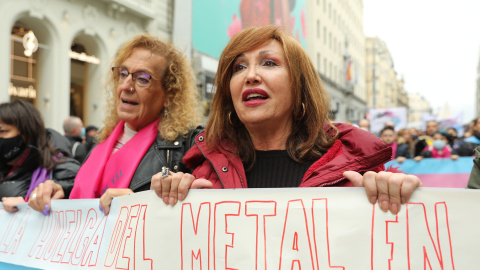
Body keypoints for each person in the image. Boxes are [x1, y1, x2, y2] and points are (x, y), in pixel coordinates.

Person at [151, 26, 422, 215]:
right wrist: (167, 187)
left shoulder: (357, 168)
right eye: (239, 67)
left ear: (300, 87)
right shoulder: (205, 170)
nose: (251, 75)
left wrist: (399, 192)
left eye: (269, 63)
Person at [28, 33, 203, 215]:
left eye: (143, 78)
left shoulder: (188, 146)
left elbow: (191, 220)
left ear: (170, 95)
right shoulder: (103, 138)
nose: (126, 86)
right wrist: (61, 191)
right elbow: (92, 192)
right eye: (123, 73)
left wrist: (137, 205)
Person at [0, 100, 80, 212]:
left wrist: (25, 207)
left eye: (3, 131)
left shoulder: (63, 168)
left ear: (27, 132)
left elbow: (79, 195)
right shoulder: (5, 169)